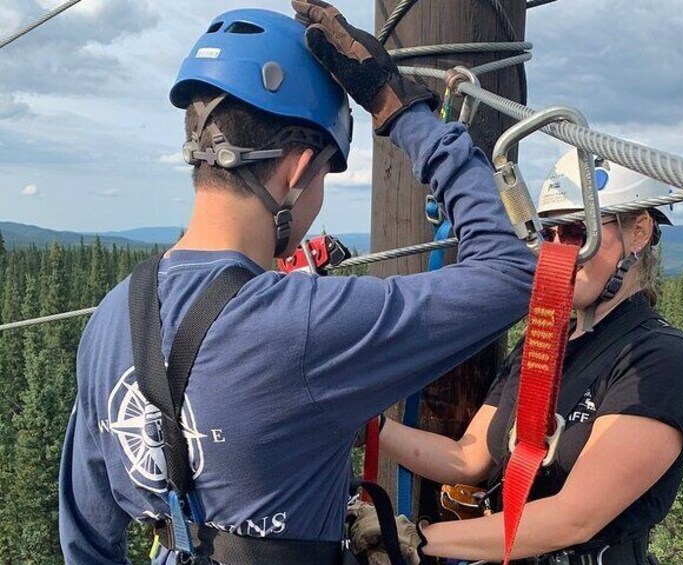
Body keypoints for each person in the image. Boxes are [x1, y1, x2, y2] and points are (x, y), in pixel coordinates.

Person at [58, 3, 536, 563]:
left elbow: (87, 536)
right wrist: (399, 109)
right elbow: (508, 268)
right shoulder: (304, 322)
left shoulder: (114, 315)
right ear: (298, 169)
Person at [358, 150, 683, 564]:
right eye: (551, 234)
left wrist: (416, 539)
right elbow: (467, 457)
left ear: (639, 234)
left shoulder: (660, 362)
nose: (559, 252)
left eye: (578, 234)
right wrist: (368, 425)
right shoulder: (544, 344)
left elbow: (574, 518)